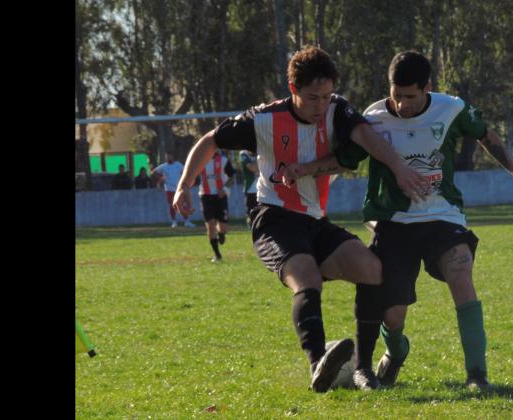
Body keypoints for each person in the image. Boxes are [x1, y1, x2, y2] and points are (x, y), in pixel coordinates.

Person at [172, 46, 429, 392]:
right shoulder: (263, 119)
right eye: (312, 98)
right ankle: (318, 365)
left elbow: (366, 137)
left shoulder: (337, 109)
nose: (320, 106)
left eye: (326, 96)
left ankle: (363, 369)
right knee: (307, 277)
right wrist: (184, 186)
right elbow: (210, 141)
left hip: (315, 221)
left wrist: (399, 167)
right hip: (273, 219)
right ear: (292, 89)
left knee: (372, 270)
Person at [288, 51, 513, 391]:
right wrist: (305, 169)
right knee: (393, 316)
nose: (402, 104)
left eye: (410, 97)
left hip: (442, 214)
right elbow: (346, 159)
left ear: (427, 88)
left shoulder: (451, 109)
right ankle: (396, 351)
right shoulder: (374, 117)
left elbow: (487, 136)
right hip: (393, 220)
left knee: (460, 267)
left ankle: (477, 376)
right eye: (396, 95)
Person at [198, 150, 235, 262]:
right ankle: (217, 255)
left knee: (223, 227)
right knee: (210, 225)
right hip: (205, 195)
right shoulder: (199, 160)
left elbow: (232, 177)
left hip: (220, 196)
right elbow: (190, 174)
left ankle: (221, 233)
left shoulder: (223, 161)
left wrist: (224, 189)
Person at [152, 153, 196, 228]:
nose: (169, 157)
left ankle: (187, 221)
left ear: (173, 156)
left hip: (179, 189)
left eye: (170, 156)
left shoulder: (178, 165)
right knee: (172, 206)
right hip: (169, 190)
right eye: (167, 156)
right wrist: (160, 179)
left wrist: (185, 181)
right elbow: (153, 172)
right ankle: (174, 222)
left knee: (183, 205)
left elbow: (186, 171)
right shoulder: (164, 166)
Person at [239, 149, 259, 226]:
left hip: (262, 190)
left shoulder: (262, 150)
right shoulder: (243, 154)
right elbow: (253, 168)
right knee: (251, 216)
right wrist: (260, 157)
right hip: (250, 189)